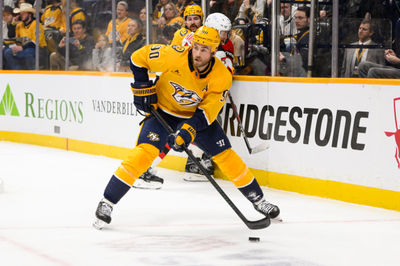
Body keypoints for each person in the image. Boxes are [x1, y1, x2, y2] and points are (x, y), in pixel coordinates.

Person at [93, 25, 280, 229]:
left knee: (226, 156)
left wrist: (187, 131)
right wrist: (141, 87)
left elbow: (207, 112)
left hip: (195, 118)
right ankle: (107, 202)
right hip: (163, 112)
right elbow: (138, 58)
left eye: (204, 50)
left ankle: (259, 201)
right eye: (196, 47)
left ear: (213, 52)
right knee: (142, 155)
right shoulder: (173, 55)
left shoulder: (221, 76)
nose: (198, 53)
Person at [3, 3, 46, 70]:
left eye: (23, 13)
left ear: (29, 14)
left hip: (37, 49)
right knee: (7, 52)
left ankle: (32, 73)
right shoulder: (19, 25)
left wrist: (23, 47)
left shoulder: (37, 24)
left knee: (27, 53)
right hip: (23, 48)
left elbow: (36, 43)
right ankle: (17, 72)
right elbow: (11, 36)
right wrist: (13, 24)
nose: (21, 15)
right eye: (20, 13)